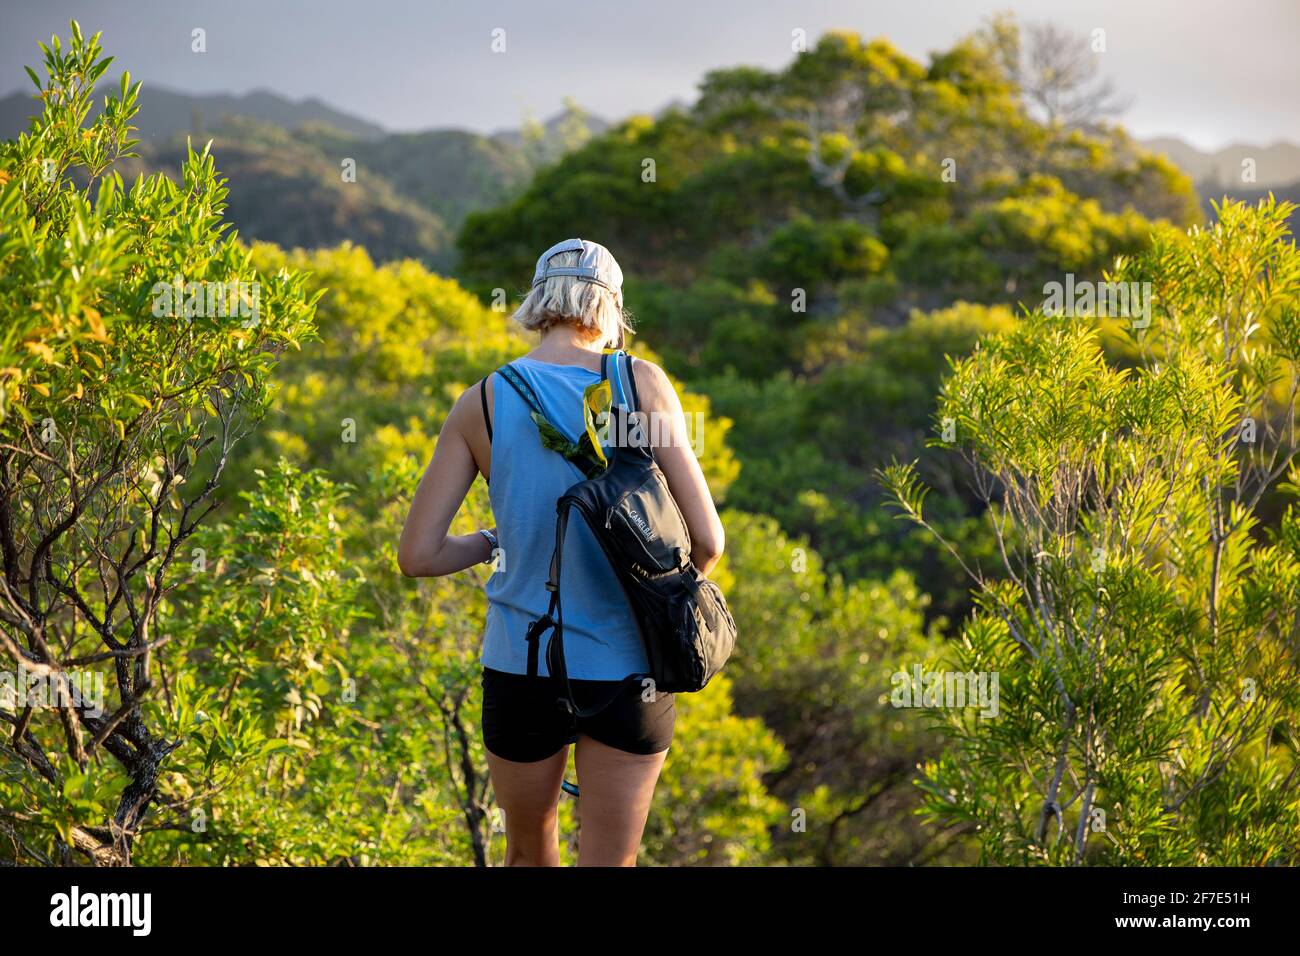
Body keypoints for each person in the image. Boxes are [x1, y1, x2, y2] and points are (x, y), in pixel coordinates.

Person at [397, 238, 725, 866]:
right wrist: (652, 605)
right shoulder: (640, 385)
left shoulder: (484, 400)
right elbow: (708, 542)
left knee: (527, 856)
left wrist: (496, 541)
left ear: (538, 301)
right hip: (631, 670)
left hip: (522, 665)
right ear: (611, 307)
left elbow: (419, 555)